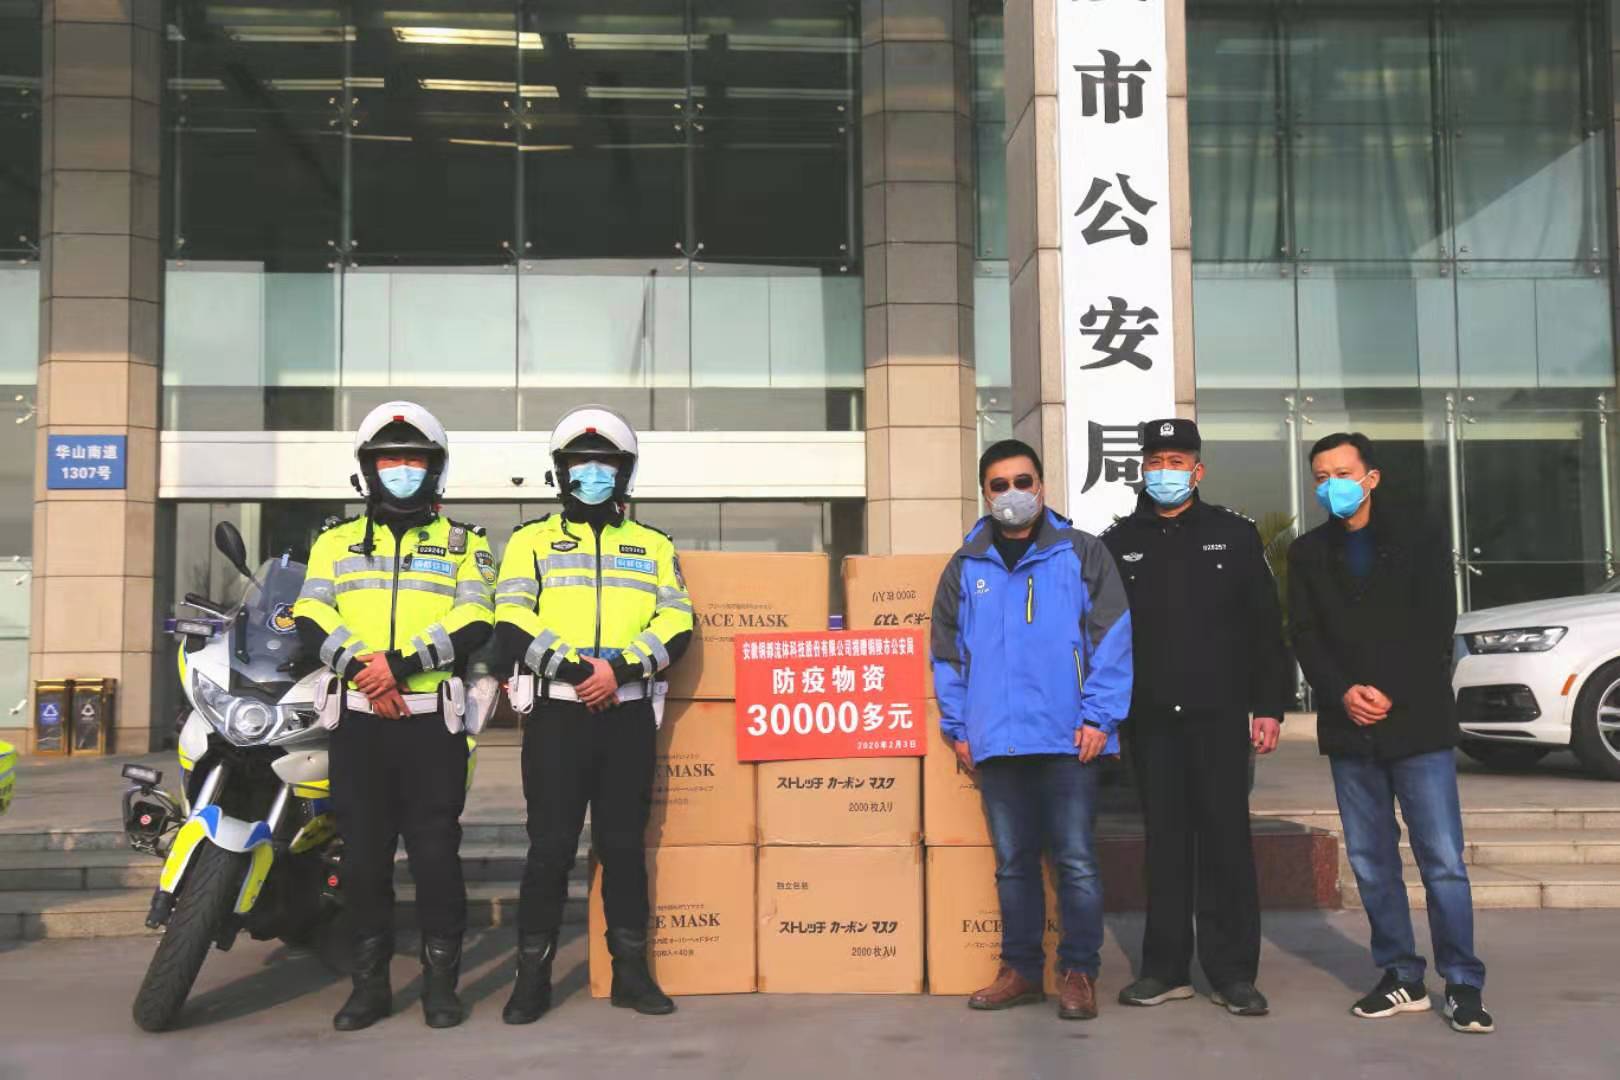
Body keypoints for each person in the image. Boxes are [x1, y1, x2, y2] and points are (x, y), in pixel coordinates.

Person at [291, 401, 495, 1031]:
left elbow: (475, 618)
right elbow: (311, 614)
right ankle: (369, 987)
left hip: (432, 725)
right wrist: (363, 672)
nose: (401, 470)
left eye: (413, 460)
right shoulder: (334, 542)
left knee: (436, 859)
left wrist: (398, 667)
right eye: (388, 460)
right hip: (359, 724)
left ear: (434, 469)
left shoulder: (466, 543)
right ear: (368, 469)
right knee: (363, 863)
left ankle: (440, 986)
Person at [1287, 432, 1493, 1034]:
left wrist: (1389, 691)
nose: (1332, 486)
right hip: (1349, 726)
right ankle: (1401, 974)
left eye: (1342, 473)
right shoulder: (1307, 553)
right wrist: (1342, 692)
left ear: (1370, 478)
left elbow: (1436, 625)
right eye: (1321, 477)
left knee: (1442, 860)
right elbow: (1304, 633)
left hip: (1416, 722)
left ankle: (1463, 982)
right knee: (1371, 860)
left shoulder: (1419, 539)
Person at [495, 405, 694, 1024]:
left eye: (606, 463)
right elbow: (510, 619)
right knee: (550, 849)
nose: (593, 473)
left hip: (626, 718)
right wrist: (579, 672)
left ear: (625, 473)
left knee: (624, 848)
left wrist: (622, 670)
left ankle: (632, 973)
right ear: (561, 472)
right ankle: (533, 978)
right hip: (558, 718)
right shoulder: (529, 541)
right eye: (581, 463)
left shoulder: (653, 545)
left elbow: (677, 621)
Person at [930, 438, 1133, 1021]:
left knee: (1076, 862)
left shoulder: (1082, 552)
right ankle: (1020, 970)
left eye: (1023, 482)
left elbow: (1112, 638)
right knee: (1013, 864)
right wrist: (959, 727)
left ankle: (1078, 973)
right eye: (1000, 485)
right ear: (985, 494)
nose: (1012, 493)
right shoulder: (965, 566)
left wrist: (1099, 717)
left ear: (1041, 486)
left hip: (1070, 739)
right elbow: (946, 654)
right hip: (996, 740)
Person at [1101, 418, 1292, 1018]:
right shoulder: (1118, 541)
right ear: (1142, 469)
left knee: (1226, 842)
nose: (1165, 472)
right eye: (1156, 461)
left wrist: (1269, 706)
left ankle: (1233, 973)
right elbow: (1103, 636)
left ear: (1198, 470)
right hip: (1150, 720)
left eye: (1177, 462)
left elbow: (1265, 627)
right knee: (1165, 844)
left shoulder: (1233, 534)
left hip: (1219, 717)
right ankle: (1164, 969)